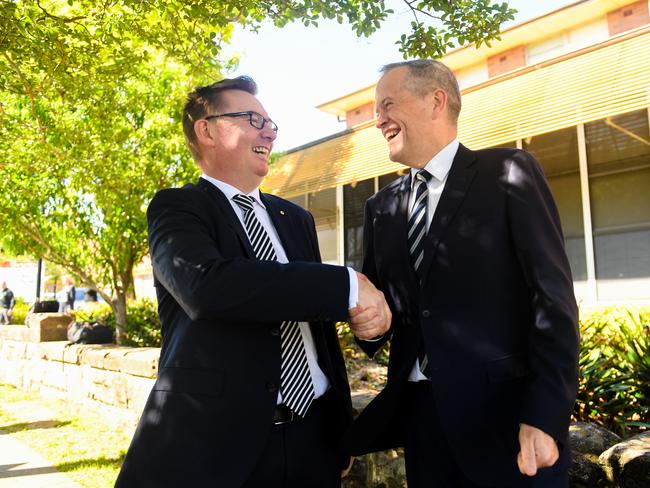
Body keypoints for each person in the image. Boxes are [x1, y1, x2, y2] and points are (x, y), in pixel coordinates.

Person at [116, 76, 390, 487]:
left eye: (271, 124)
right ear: (206, 129)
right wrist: (346, 285)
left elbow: (314, 331)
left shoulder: (296, 219)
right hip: (218, 446)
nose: (269, 132)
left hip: (313, 438)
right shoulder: (178, 208)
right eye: (251, 119)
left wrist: (340, 425)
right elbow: (206, 287)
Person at [344, 60, 580, 487]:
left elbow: (553, 301)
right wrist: (370, 326)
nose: (378, 119)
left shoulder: (508, 172)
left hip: (507, 423)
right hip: (422, 427)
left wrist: (545, 416)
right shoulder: (381, 208)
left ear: (436, 100)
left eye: (388, 104)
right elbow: (379, 314)